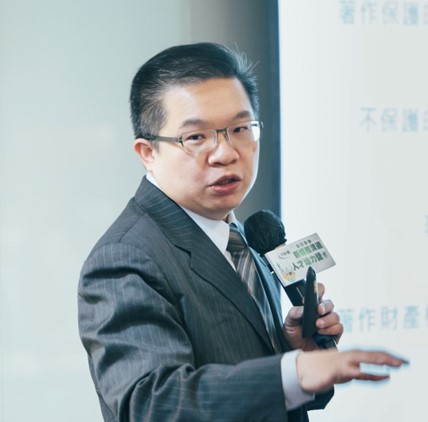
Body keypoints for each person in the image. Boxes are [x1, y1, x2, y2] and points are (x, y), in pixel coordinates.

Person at [78, 42, 407, 422]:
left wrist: (292, 353)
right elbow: (151, 404)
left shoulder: (241, 237)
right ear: (148, 153)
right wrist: (293, 373)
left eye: (239, 129)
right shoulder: (125, 257)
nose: (226, 153)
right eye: (196, 137)